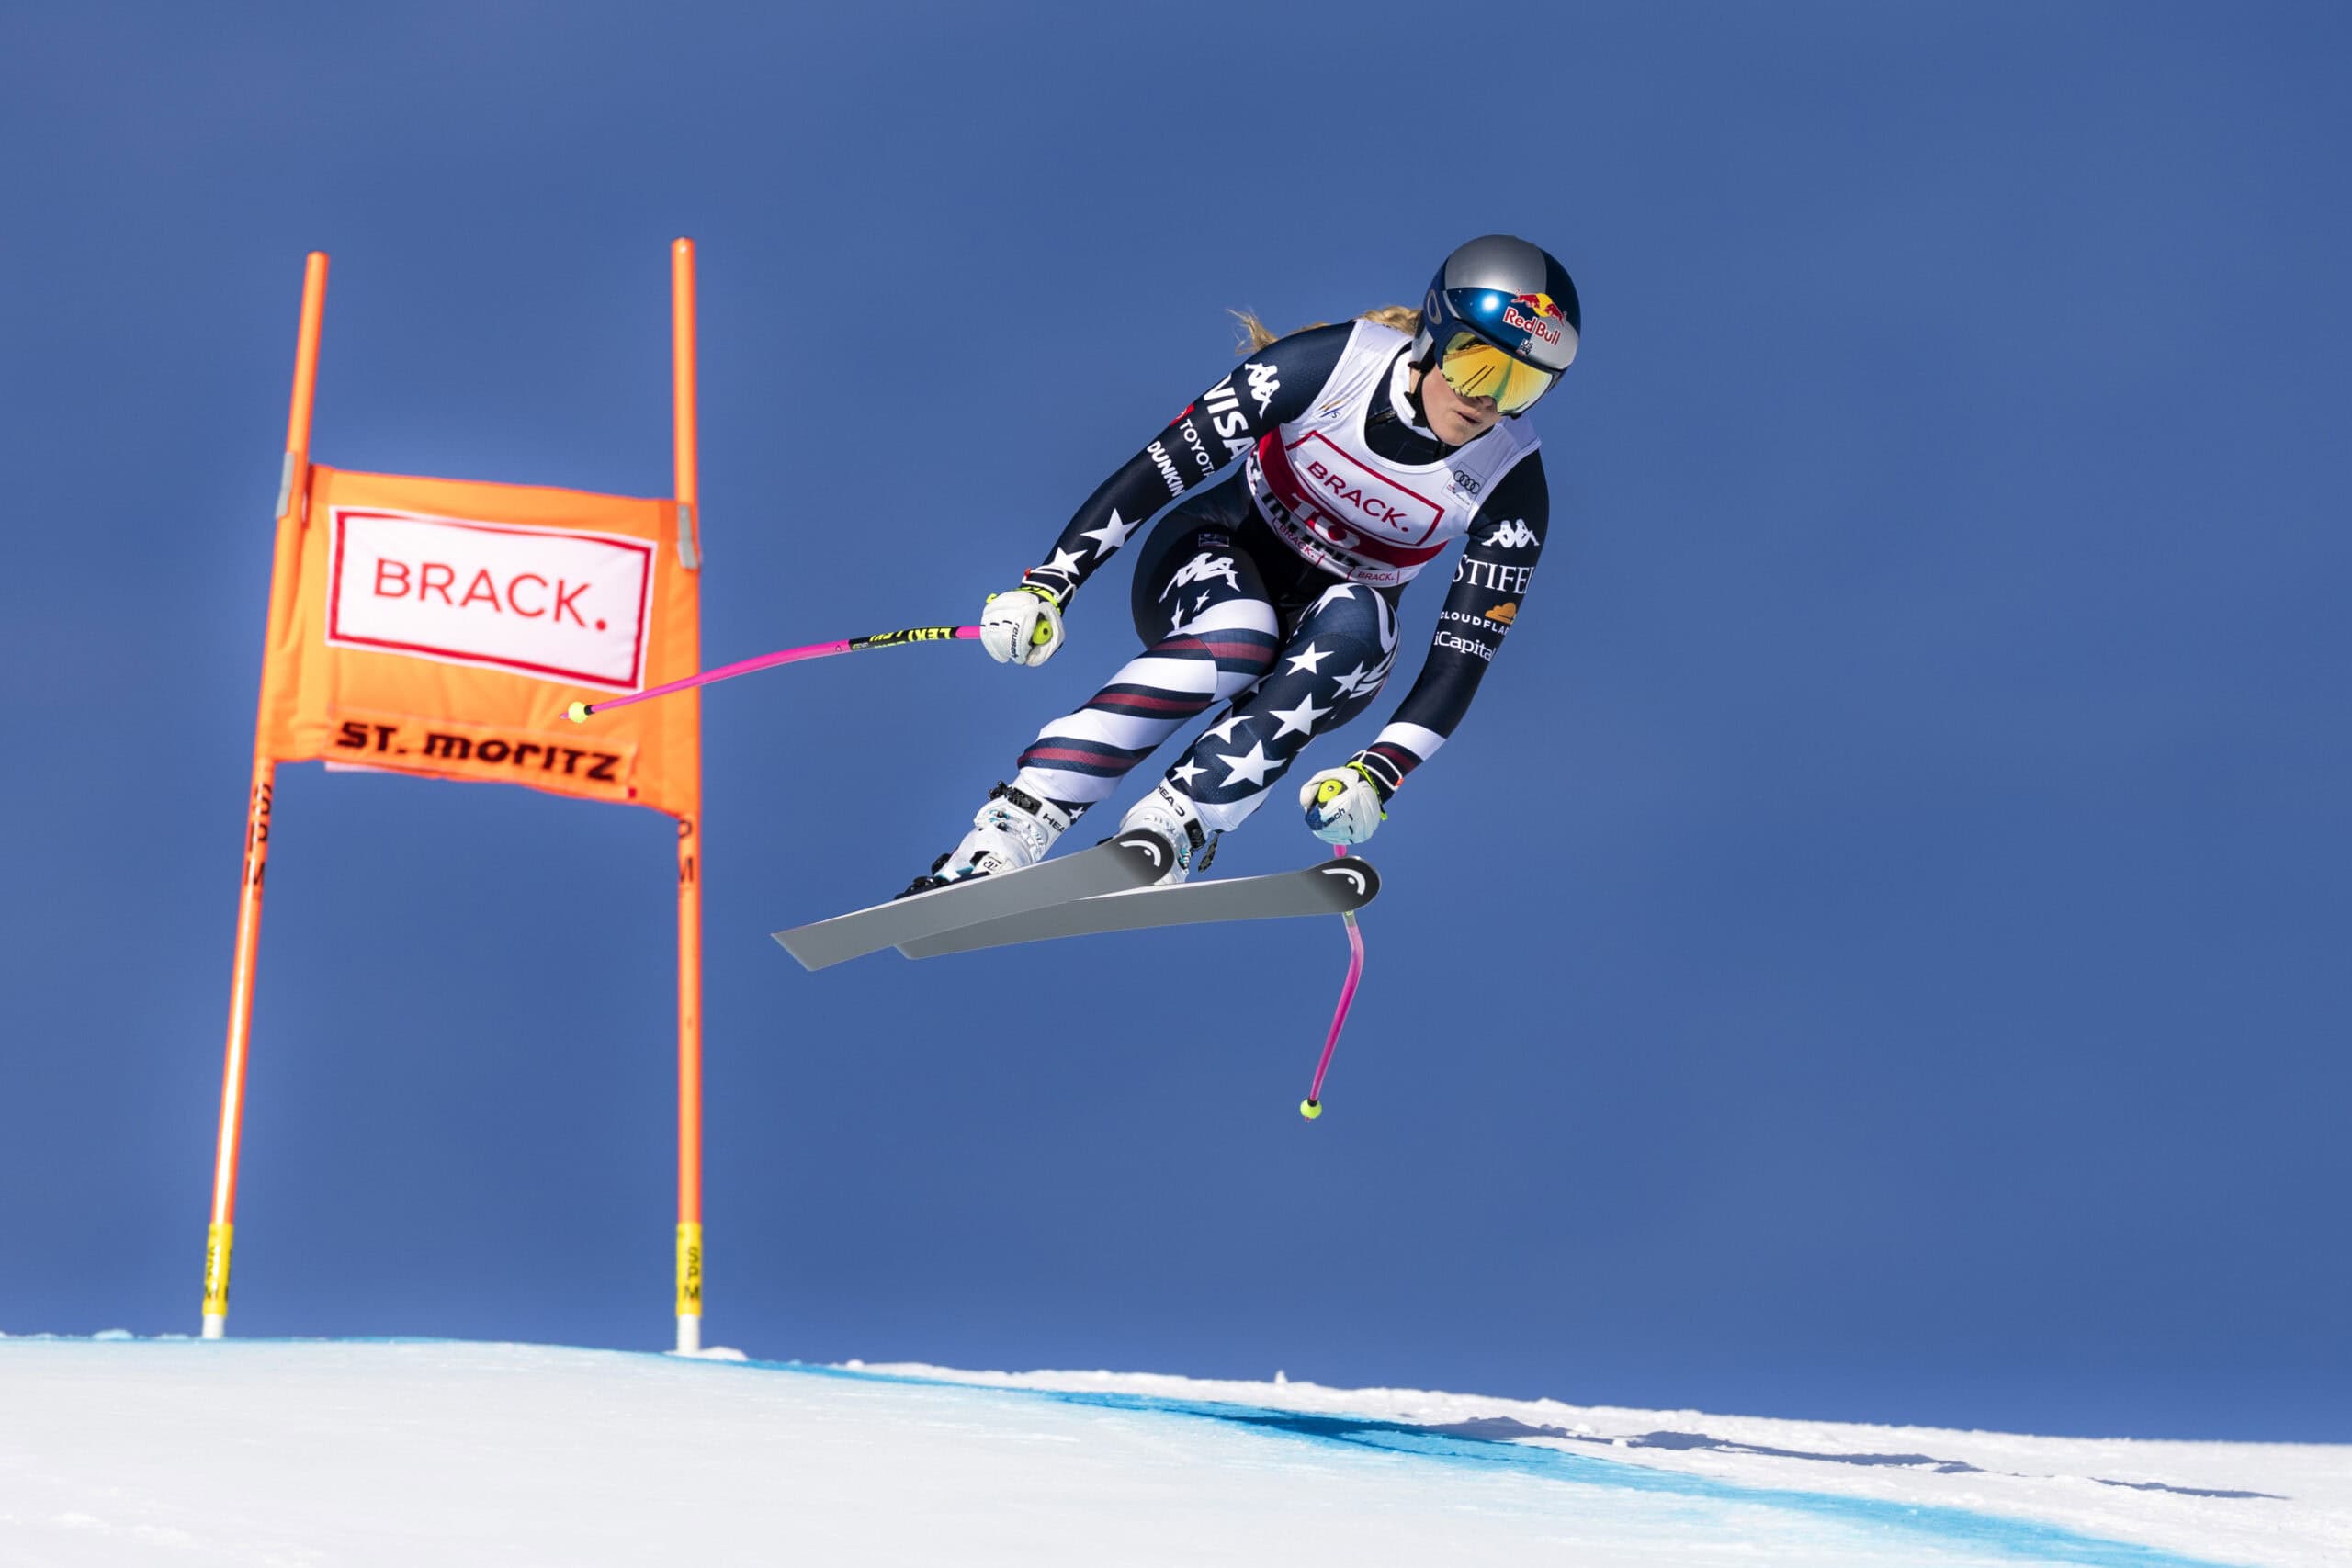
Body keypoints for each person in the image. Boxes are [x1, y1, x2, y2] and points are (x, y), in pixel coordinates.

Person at [909, 234, 1578, 895]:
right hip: (1208, 556)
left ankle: (1176, 822)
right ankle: (1016, 820)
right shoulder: (1328, 366)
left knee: (1363, 619)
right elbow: (1160, 468)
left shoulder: (1510, 481)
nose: (1487, 400)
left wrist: (1379, 773)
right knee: (1243, 628)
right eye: (1476, 365)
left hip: (1332, 652)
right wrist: (1053, 582)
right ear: (1434, 333)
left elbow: (1461, 656)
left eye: (1521, 385)